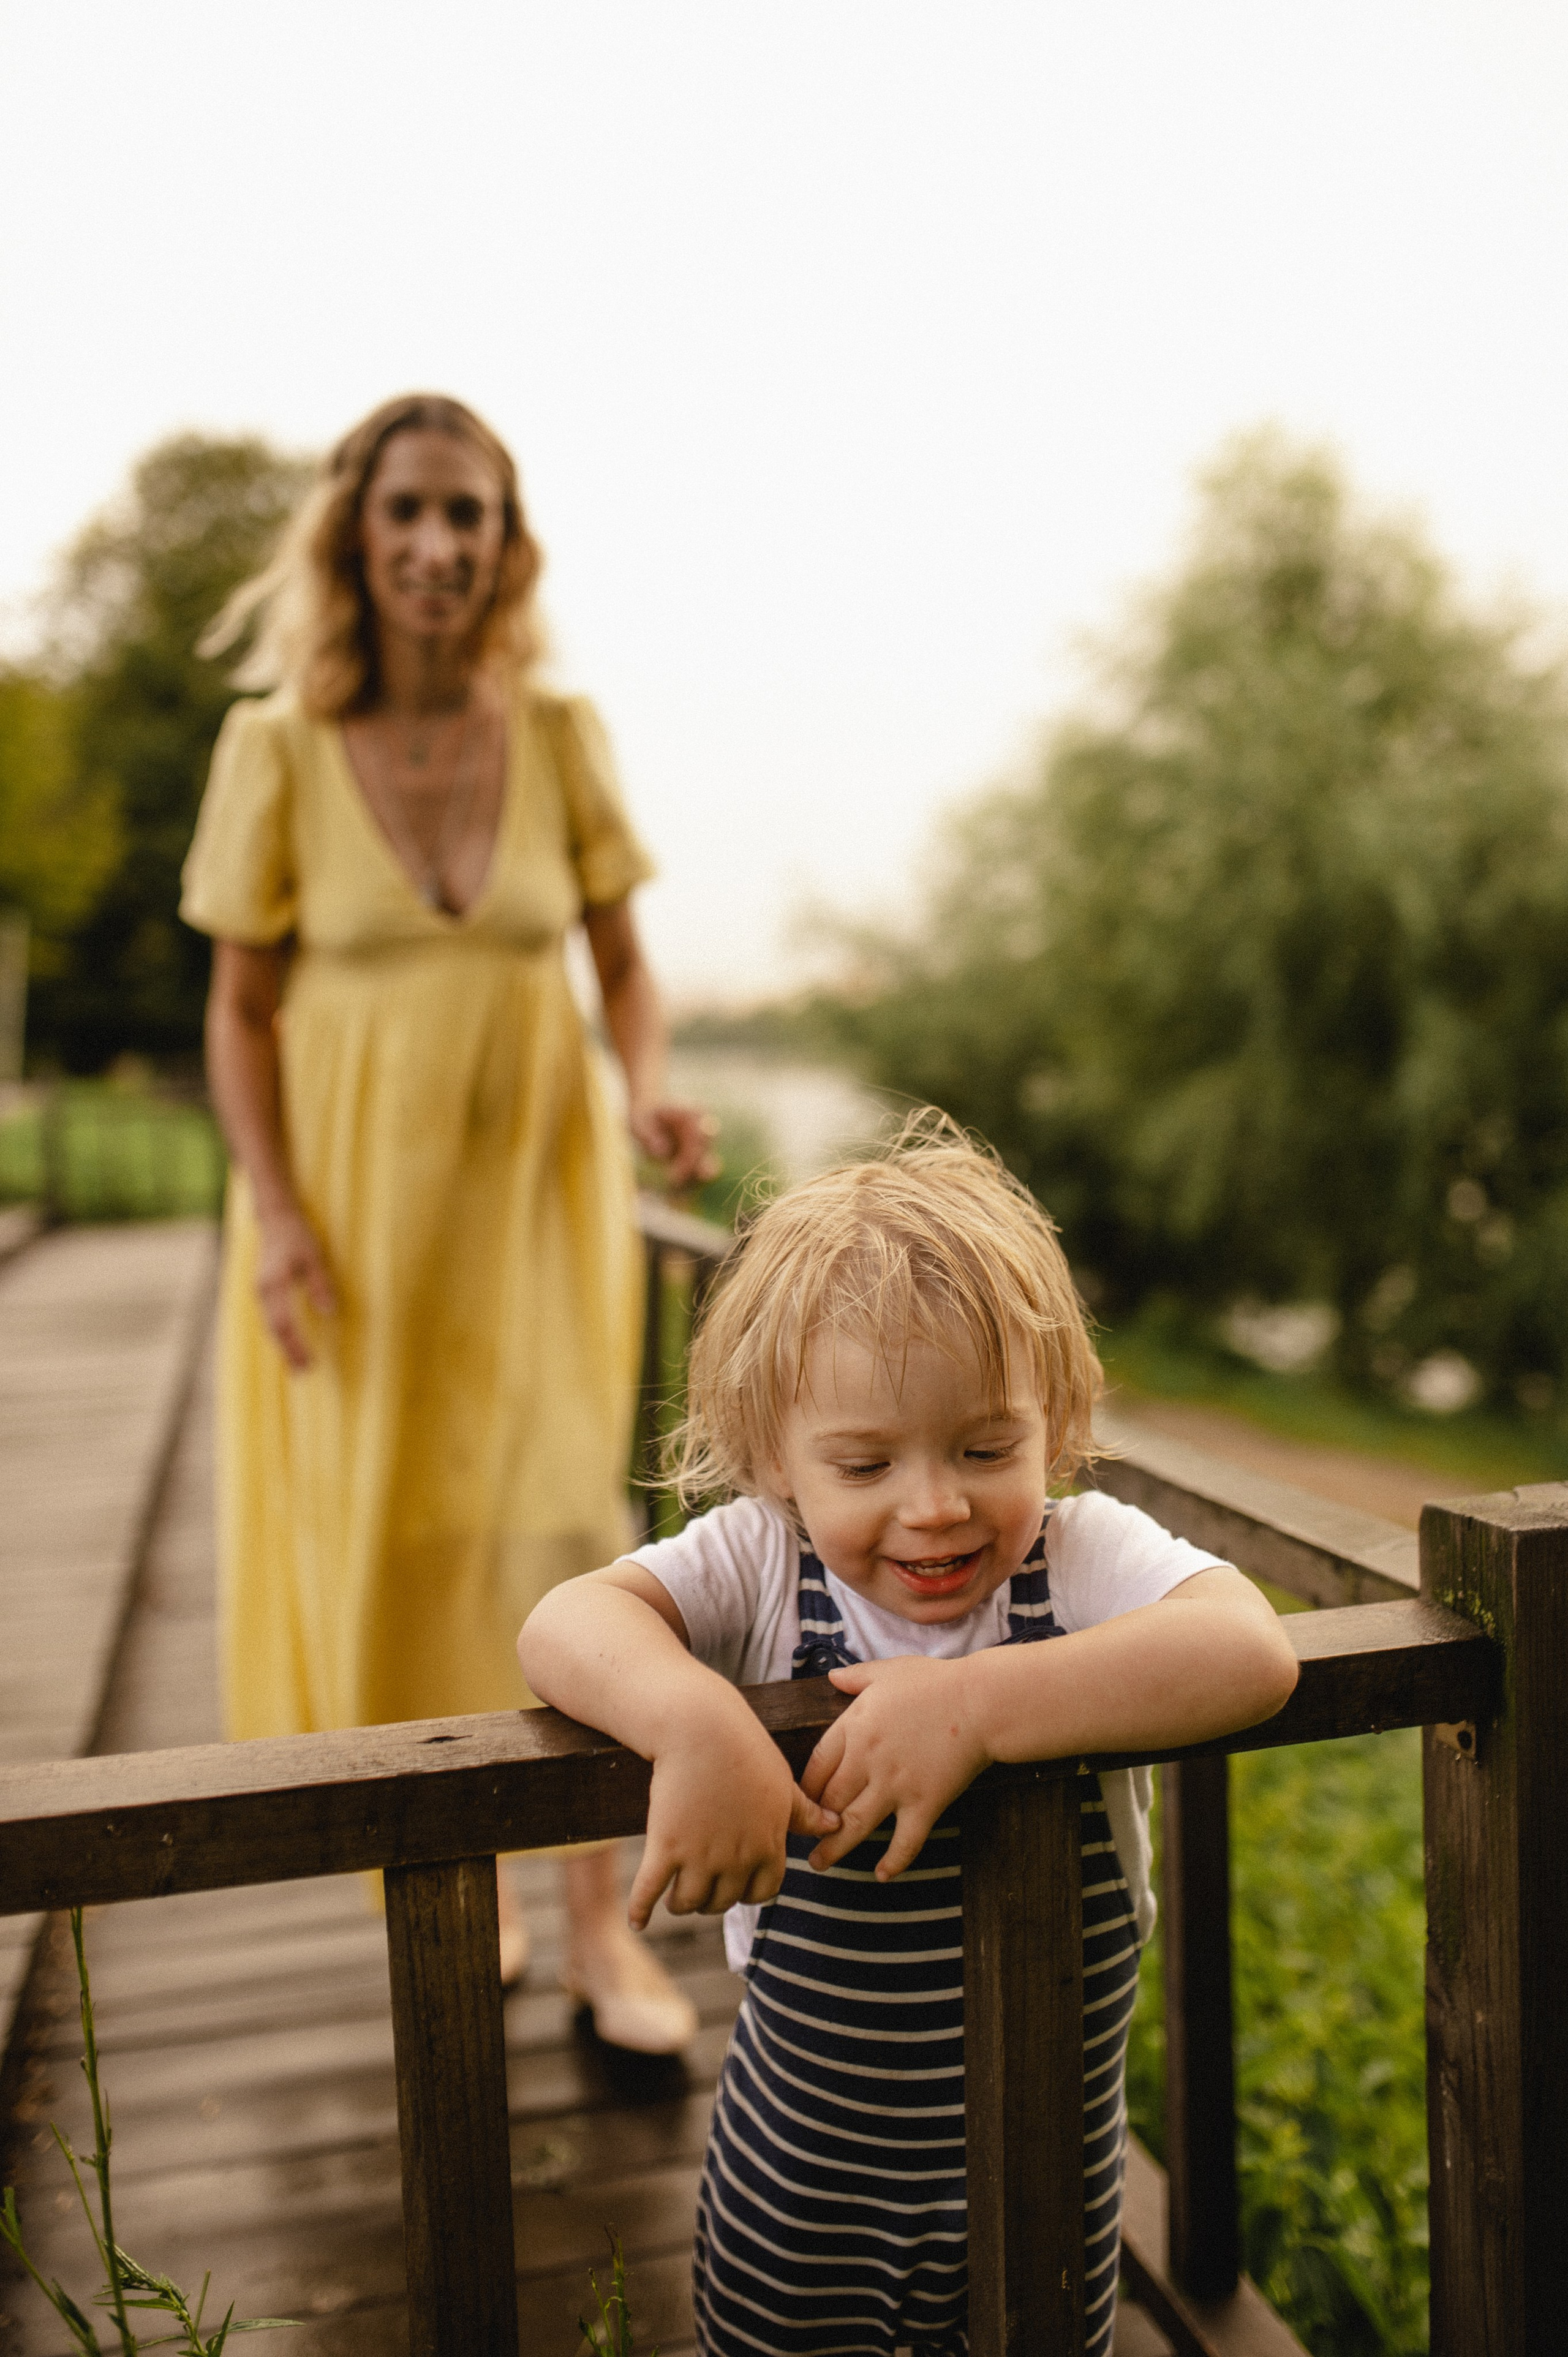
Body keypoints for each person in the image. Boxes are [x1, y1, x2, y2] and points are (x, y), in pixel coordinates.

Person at [519, 1115, 1300, 2355]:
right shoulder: (763, 1564)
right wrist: (693, 1718)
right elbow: (565, 1621)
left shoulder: (1075, 1554)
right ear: (777, 1455)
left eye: (985, 1446)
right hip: (803, 2183)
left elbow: (1247, 1650)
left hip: (1046, 2168)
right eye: (864, 1462)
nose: (932, 1503)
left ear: (1046, 1414)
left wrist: (977, 1704)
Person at [181, 391, 714, 2050]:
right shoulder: (271, 744)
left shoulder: (559, 735)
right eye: (407, 509)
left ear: (505, 543)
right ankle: (453, 1881)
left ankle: (602, 1935)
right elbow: (240, 1012)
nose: (434, 543)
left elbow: (621, 966)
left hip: (535, 1209)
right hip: (343, 1228)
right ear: (357, 533)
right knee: (400, 1549)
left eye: (467, 514)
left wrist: (645, 1082)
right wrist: (273, 1216)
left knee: (558, 1533)